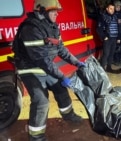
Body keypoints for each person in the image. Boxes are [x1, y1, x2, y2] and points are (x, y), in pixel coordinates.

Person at [12, 0, 85, 140]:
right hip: (30, 69)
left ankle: (68, 115)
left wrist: (77, 63)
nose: (57, 13)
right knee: (41, 101)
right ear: (41, 11)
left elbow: (61, 49)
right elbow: (41, 59)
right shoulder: (31, 29)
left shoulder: (52, 26)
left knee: (61, 89)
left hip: (45, 68)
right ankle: (36, 136)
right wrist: (62, 76)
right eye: (53, 11)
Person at [97, 2, 119, 73]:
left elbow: (117, 27)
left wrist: (118, 37)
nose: (112, 10)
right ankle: (103, 69)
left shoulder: (115, 16)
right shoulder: (103, 17)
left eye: (113, 9)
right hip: (108, 38)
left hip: (114, 38)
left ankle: (109, 67)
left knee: (111, 53)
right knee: (106, 54)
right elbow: (99, 29)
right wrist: (104, 37)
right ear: (107, 9)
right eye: (110, 8)